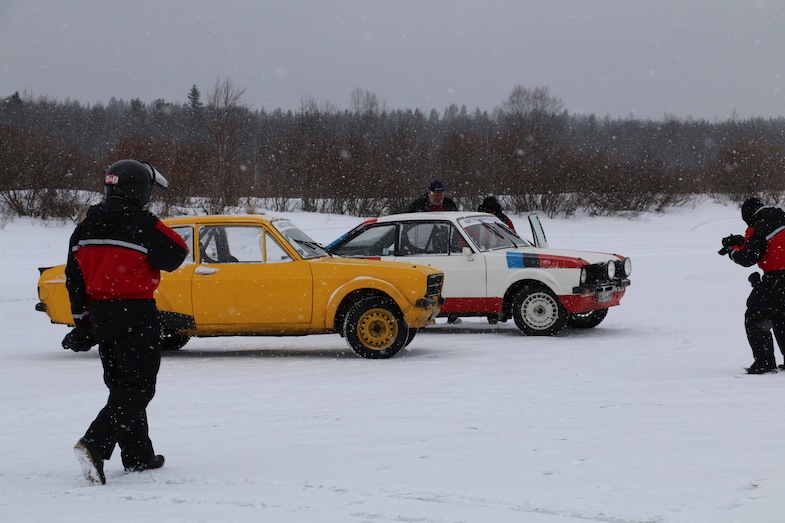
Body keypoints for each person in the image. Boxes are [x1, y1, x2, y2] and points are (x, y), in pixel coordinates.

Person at [64, 159, 189, 484]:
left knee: (123, 387)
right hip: (135, 311)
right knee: (139, 387)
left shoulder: (85, 228)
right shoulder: (141, 224)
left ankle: (138, 457)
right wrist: (146, 221)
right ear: (141, 192)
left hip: (102, 315)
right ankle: (95, 444)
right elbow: (177, 253)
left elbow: (73, 279)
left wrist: (82, 322)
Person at [721, 196, 785, 374]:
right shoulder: (780, 219)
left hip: (776, 278)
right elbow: (772, 243)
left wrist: (731, 251)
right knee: (781, 316)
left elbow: (748, 258)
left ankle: (764, 363)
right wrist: (744, 242)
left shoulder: (758, 227)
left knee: (756, 316)